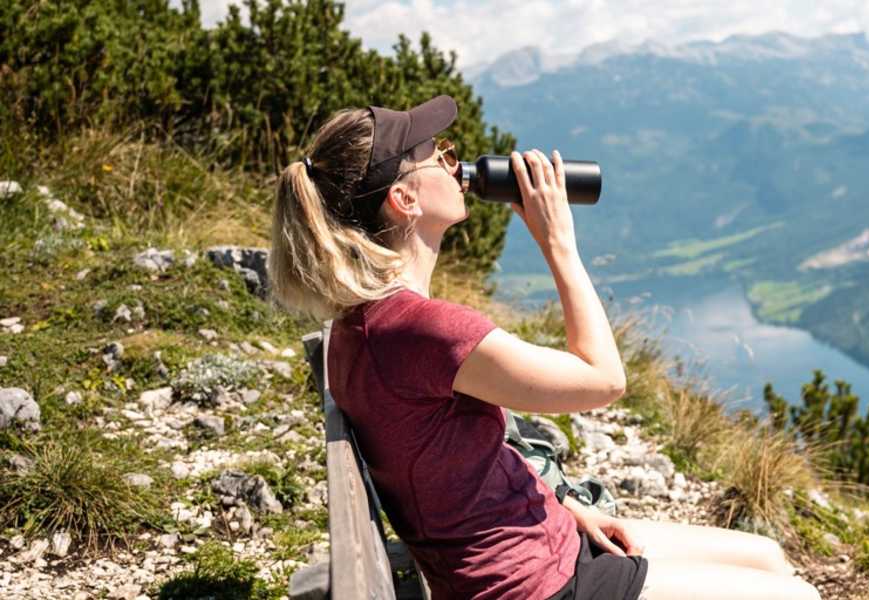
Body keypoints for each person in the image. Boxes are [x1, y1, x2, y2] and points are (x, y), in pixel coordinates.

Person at [266, 95, 822, 600]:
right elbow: (605, 379)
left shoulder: (364, 323)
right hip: (534, 585)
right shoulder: (424, 330)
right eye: (439, 156)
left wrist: (570, 508)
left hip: (541, 547)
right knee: (799, 597)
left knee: (768, 557)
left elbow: (453, 462)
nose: (455, 164)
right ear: (404, 198)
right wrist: (558, 243)